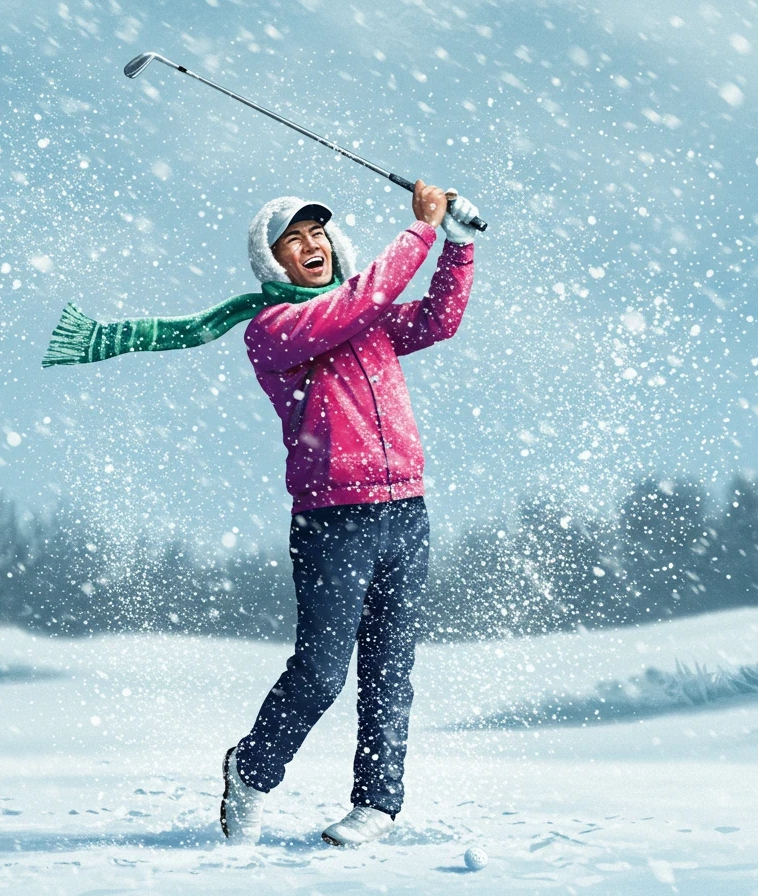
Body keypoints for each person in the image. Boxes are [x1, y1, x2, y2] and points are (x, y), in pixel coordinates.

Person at [222, 181, 478, 847]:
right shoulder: (275, 329)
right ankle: (250, 772)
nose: (309, 246)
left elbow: (437, 321)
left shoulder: (369, 319)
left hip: (406, 514)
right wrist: (420, 230)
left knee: (390, 669)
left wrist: (456, 247)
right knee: (321, 673)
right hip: (333, 521)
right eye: (292, 241)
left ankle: (377, 805)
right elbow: (357, 302)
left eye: (316, 234)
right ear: (272, 261)